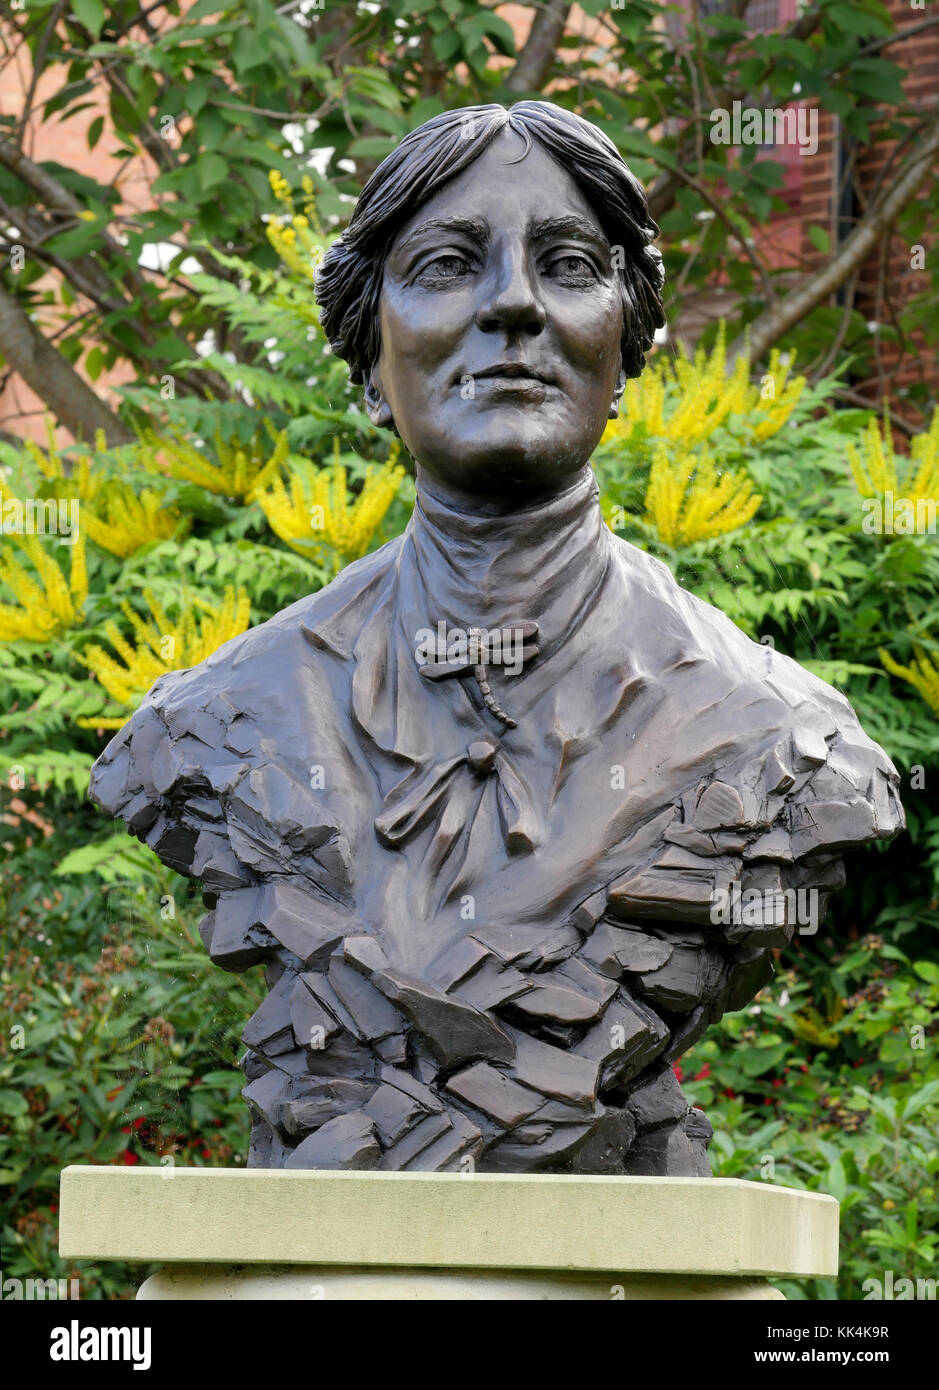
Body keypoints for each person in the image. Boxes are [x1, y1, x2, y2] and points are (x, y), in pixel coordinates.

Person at [90, 102, 904, 1175]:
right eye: (446, 264)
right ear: (370, 361)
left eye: (566, 264)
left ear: (626, 348)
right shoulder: (209, 727)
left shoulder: (787, 746)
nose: (512, 303)